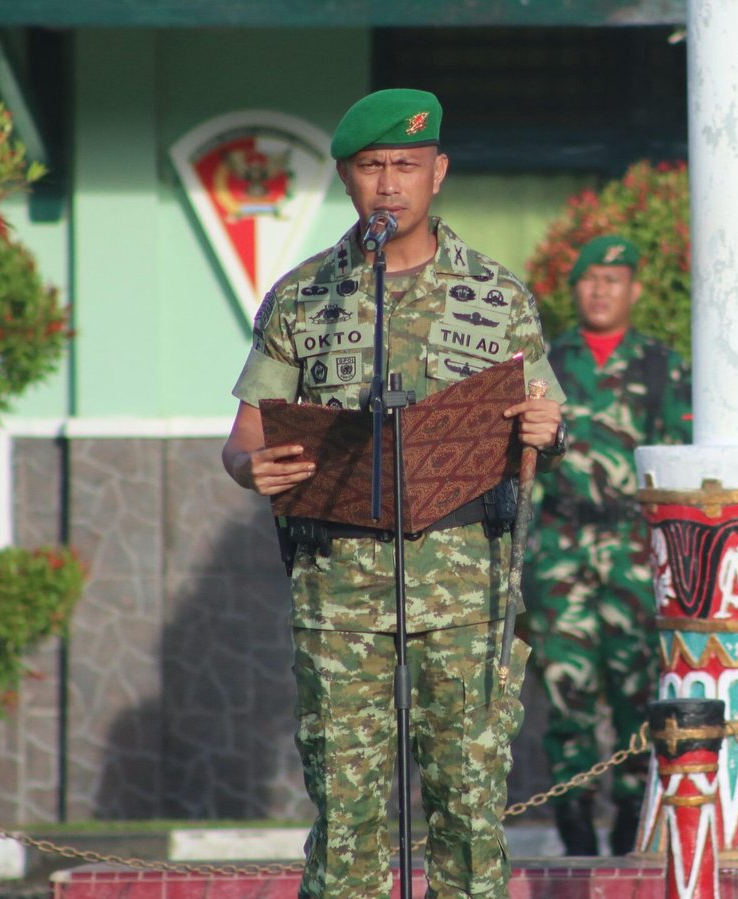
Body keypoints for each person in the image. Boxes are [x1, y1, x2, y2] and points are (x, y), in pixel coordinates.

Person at [219, 88, 567, 899]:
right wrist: (250, 468)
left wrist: (545, 426)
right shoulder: (304, 296)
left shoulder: (498, 293)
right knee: (346, 815)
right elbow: (244, 436)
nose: (388, 184)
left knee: (469, 809)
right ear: (344, 177)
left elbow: (543, 419)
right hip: (339, 589)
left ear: (438, 172)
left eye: (406, 165)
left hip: (465, 586)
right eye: (371, 166)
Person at [529, 234, 692, 855]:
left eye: (614, 279)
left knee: (635, 694)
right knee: (567, 694)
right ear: (575, 289)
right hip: (561, 547)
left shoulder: (662, 367)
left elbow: (676, 466)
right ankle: (573, 834)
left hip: (633, 548)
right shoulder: (545, 363)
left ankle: (629, 829)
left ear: (635, 290)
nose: (600, 290)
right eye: (589, 278)